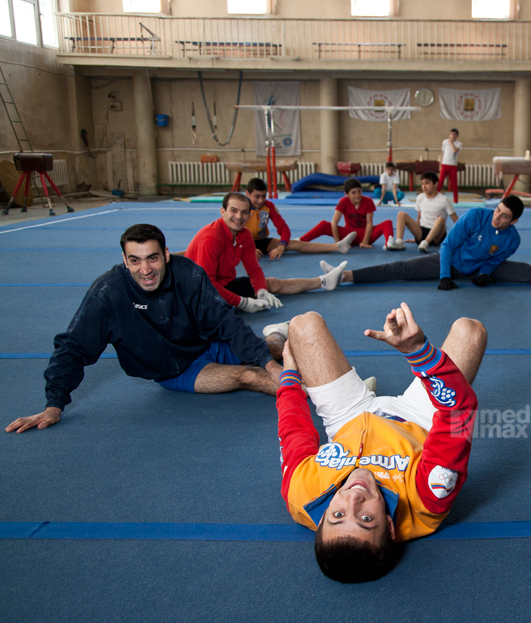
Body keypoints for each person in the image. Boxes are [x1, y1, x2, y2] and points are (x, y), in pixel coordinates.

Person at [6, 224, 286, 434]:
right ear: (125, 259)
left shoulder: (188, 274)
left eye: (152, 258)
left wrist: (267, 360)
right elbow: (73, 346)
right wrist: (54, 404)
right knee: (249, 375)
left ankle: (274, 335)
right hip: (178, 371)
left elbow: (225, 322)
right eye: (135, 260)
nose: (145, 269)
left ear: (165, 254)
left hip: (205, 343)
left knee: (274, 352)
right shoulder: (109, 293)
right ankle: (313, 392)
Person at [276, 303, 484, 582]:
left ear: (321, 519)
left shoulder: (301, 495)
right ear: (389, 526)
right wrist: (418, 351)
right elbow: (458, 412)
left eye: (337, 514)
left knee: (303, 325)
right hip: (419, 419)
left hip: (347, 418)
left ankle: (363, 389)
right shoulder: (428, 499)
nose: (354, 498)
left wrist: (289, 375)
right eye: (365, 519)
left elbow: (294, 431)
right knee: (470, 330)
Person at [320, 195, 531, 290]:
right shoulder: (477, 216)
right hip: (450, 262)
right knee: (399, 268)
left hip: (479, 267)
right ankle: (343, 276)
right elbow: (448, 246)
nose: (498, 218)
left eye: (505, 217)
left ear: (513, 222)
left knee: (524, 270)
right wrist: (444, 275)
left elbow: (494, 258)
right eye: (498, 211)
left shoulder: (513, 239)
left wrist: (486, 273)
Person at [185, 192, 347, 313]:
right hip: (198, 293)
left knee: (271, 284)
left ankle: (324, 281)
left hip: (223, 284)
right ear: (223, 211)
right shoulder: (211, 238)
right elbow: (207, 284)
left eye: (244, 212)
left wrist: (261, 290)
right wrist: (243, 303)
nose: (239, 216)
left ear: (249, 214)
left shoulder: (245, 234)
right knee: (223, 315)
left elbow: (254, 269)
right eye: (233, 211)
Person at [243, 177, 356, 261]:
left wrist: (282, 245)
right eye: (257, 196)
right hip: (241, 244)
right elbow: (230, 234)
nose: (260, 200)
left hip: (260, 242)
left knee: (295, 244)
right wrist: (247, 249)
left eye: (263, 196)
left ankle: (338, 246)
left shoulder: (268, 206)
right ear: (247, 194)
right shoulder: (240, 208)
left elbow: (283, 228)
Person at [299, 178, 394, 250]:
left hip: (366, 235)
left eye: (359, 191)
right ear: (346, 194)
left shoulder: (368, 201)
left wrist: (365, 241)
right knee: (324, 224)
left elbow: (369, 223)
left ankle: (389, 244)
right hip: (348, 235)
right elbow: (334, 222)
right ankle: (300, 241)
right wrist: (337, 242)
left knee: (387, 223)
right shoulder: (343, 201)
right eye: (353, 193)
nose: (357, 195)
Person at [384, 171, 458, 253]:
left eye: (427, 183)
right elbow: (419, 217)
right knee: (401, 214)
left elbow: (456, 220)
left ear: (436, 184)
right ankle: (399, 242)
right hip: (422, 232)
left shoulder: (444, 200)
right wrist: (416, 234)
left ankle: (425, 242)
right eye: (422, 184)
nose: (424, 186)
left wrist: (459, 238)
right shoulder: (420, 197)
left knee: (440, 219)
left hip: (437, 236)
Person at [439, 128, 462, 200]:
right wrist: (440, 164)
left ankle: (455, 199)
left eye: (454, 134)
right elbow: (442, 153)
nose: (452, 136)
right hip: (445, 164)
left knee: (454, 184)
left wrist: (451, 143)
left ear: (457, 135)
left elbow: (454, 151)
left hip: (453, 165)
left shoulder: (459, 144)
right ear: (449, 134)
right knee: (440, 182)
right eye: (451, 134)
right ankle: (436, 197)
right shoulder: (445, 142)